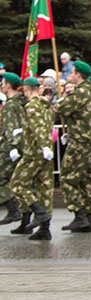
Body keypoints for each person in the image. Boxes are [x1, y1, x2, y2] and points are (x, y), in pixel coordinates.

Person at [55, 61, 91, 233]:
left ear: (77, 74)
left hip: (81, 142)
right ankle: (88, 216)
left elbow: (60, 108)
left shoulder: (80, 92)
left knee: (68, 178)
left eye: (73, 72)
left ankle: (80, 215)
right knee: (86, 179)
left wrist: (59, 100)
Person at [7, 77, 54, 239]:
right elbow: (42, 125)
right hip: (46, 153)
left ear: (26, 90)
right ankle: (44, 229)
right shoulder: (46, 105)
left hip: (34, 152)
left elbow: (38, 126)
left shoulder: (32, 105)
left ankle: (39, 213)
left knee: (17, 184)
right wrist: (23, 131)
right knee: (45, 188)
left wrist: (43, 146)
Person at [0, 73, 26, 225]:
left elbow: (11, 129)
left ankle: (13, 210)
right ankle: (25, 219)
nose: (1, 85)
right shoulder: (20, 103)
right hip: (20, 146)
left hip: (10, 148)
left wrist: (11, 147)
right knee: (20, 182)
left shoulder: (10, 105)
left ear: (9, 85)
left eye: (3, 83)